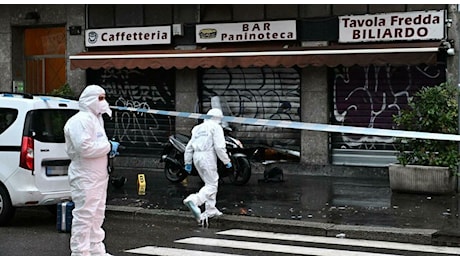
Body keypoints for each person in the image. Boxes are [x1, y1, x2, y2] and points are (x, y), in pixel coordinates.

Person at [63, 84, 119, 256]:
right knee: (84, 216)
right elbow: (85, 148)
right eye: (99, 98)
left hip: (98, 176)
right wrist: (108, 146)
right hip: (85, 176)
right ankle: (80, 253)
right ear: (89, 100)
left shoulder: (96, 120)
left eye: (104, 97)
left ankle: (96, 250)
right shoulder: (79, 121)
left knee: (97, 214)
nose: (103, 102)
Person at [183, 108, 232, 226]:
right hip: (208, 156)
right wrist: (226, 161)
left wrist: (187, 163)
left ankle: (210, 209)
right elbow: (219, 147)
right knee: (212, 184)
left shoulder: (197, 128)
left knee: (209, 183)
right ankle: (194, 200)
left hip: (196, 157)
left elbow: (189, 147)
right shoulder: (216, 127)